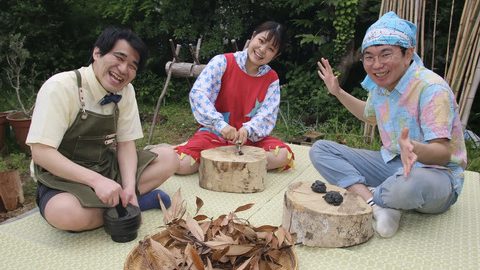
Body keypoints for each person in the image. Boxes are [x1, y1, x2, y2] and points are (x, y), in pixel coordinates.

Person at [310, 12, 467, 238]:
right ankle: (377, 204)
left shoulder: (431, 88)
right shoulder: (380, 87)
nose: (377, 65)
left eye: (386, 54)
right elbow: (368, 114)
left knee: (407, 186)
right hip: (392, 163)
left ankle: (380, 195)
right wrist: (338, 92)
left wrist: (415, 148)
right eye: (369, 57)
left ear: (408, 54)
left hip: (436, 176)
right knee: (320, 150)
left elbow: (443, 154)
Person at [26, 26, 179, 232]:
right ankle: (132, 206)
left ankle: (129, 200)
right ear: (97, 53)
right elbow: (41, 153)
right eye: (119, 57)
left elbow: (126, 144)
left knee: (170, 158)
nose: (124, 69)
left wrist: (128, 187)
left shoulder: (126, 91)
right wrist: (96, 181)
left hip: (107, 168)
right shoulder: (60, 87)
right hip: (64, 179)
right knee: (65, 214)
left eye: (132, 65)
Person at [175, 21, 294, 175]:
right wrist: (220, 125)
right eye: (261, 41)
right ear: (252, 36)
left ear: (276, 55)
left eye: (271, 49)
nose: (262, 50)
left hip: (250, 141)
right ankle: (240, 167)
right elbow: (199, 94)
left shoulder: (271, 79)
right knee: (183, 164)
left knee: (282, 155)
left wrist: (247, 130)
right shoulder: (222, 62)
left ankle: (221, 165)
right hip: (214, 134)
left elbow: (266, 115)